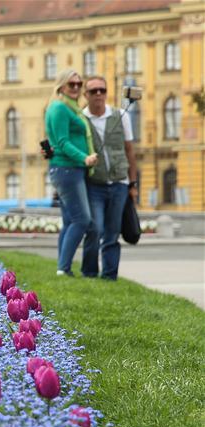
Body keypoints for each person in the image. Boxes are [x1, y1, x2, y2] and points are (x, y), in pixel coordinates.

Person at [82, 75, 138, 280]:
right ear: (85, 95)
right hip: (94, 185)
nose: (98, 94)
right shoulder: (81, 119)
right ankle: (89, 273)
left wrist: (132, 183)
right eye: (94, 91)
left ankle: (109, 276)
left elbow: (130, 150)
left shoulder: (120, 116)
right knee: (95, 229)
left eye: (102, 90)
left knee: (112, 233)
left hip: (119, 184)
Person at [44, 69, 98, 277]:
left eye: (78, 84)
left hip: (69, 169)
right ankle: (63, 268)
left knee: (69, 221)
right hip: (68, 169)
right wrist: (84, 158)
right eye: (71, 84)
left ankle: (62, 266)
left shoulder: (71, 108)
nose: (76, 88)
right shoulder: (59, 108)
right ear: (61, 86)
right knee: (81, 220)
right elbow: (61, 142)